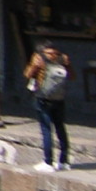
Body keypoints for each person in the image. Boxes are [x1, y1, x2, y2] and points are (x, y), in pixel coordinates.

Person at [26, 41, 72, 171]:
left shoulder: (39, 58)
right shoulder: (62, 58)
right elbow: (72, 76)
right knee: (60, 128)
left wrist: (34, 66)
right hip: (59, 99)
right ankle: (64, 161)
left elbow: (28, 74)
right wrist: (67, 65)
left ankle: (48, 162)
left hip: (43, 99)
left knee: (46, 130)